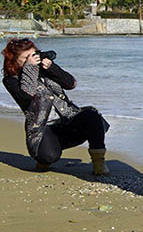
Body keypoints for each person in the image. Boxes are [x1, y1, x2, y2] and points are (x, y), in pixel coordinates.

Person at [3, 39, 109, 175]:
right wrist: (29, 68)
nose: (32, 60)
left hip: (68, 120)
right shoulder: (11, 80)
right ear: (14, 60)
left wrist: (52, 68)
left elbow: (71, 84)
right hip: (43, 128)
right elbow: (27, 96)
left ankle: (99, 163)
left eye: (33, 55)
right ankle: (45, 154)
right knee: (48, 156)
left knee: (92, 116)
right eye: (26, 58)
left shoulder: (44, 69)